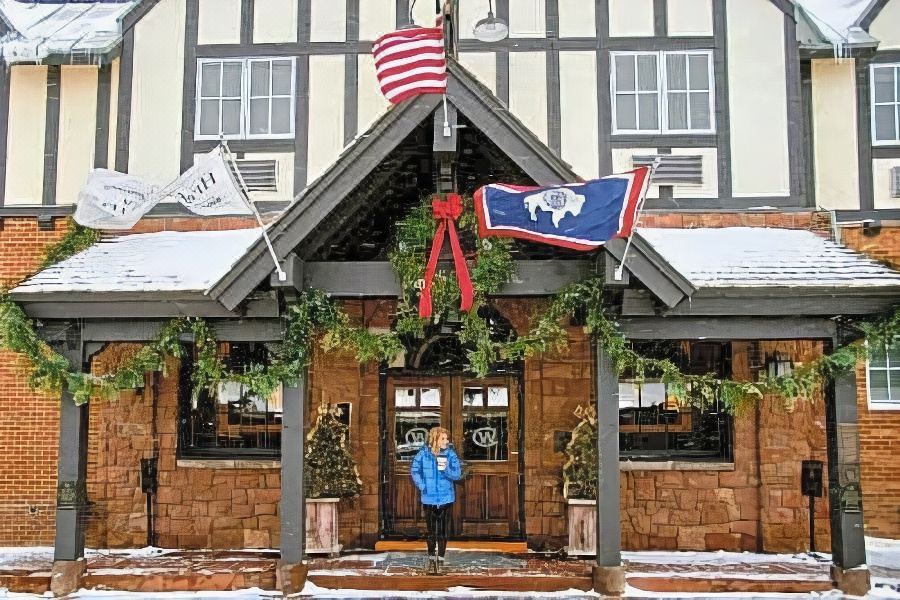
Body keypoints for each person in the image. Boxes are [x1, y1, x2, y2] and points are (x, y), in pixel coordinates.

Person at [410, 426, 461, 564]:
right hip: (429, 498)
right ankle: (432, 555)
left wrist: (446, 470)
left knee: (443, 531)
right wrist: (422, 486)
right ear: (435, 439)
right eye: (443, 438)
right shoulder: (423, 454)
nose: (446, 441)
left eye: (447, 438)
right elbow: (415, 471)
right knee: (431, 531)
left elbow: (457, 474)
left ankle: (441, 557)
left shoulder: (450, 454)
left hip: (446, 498)